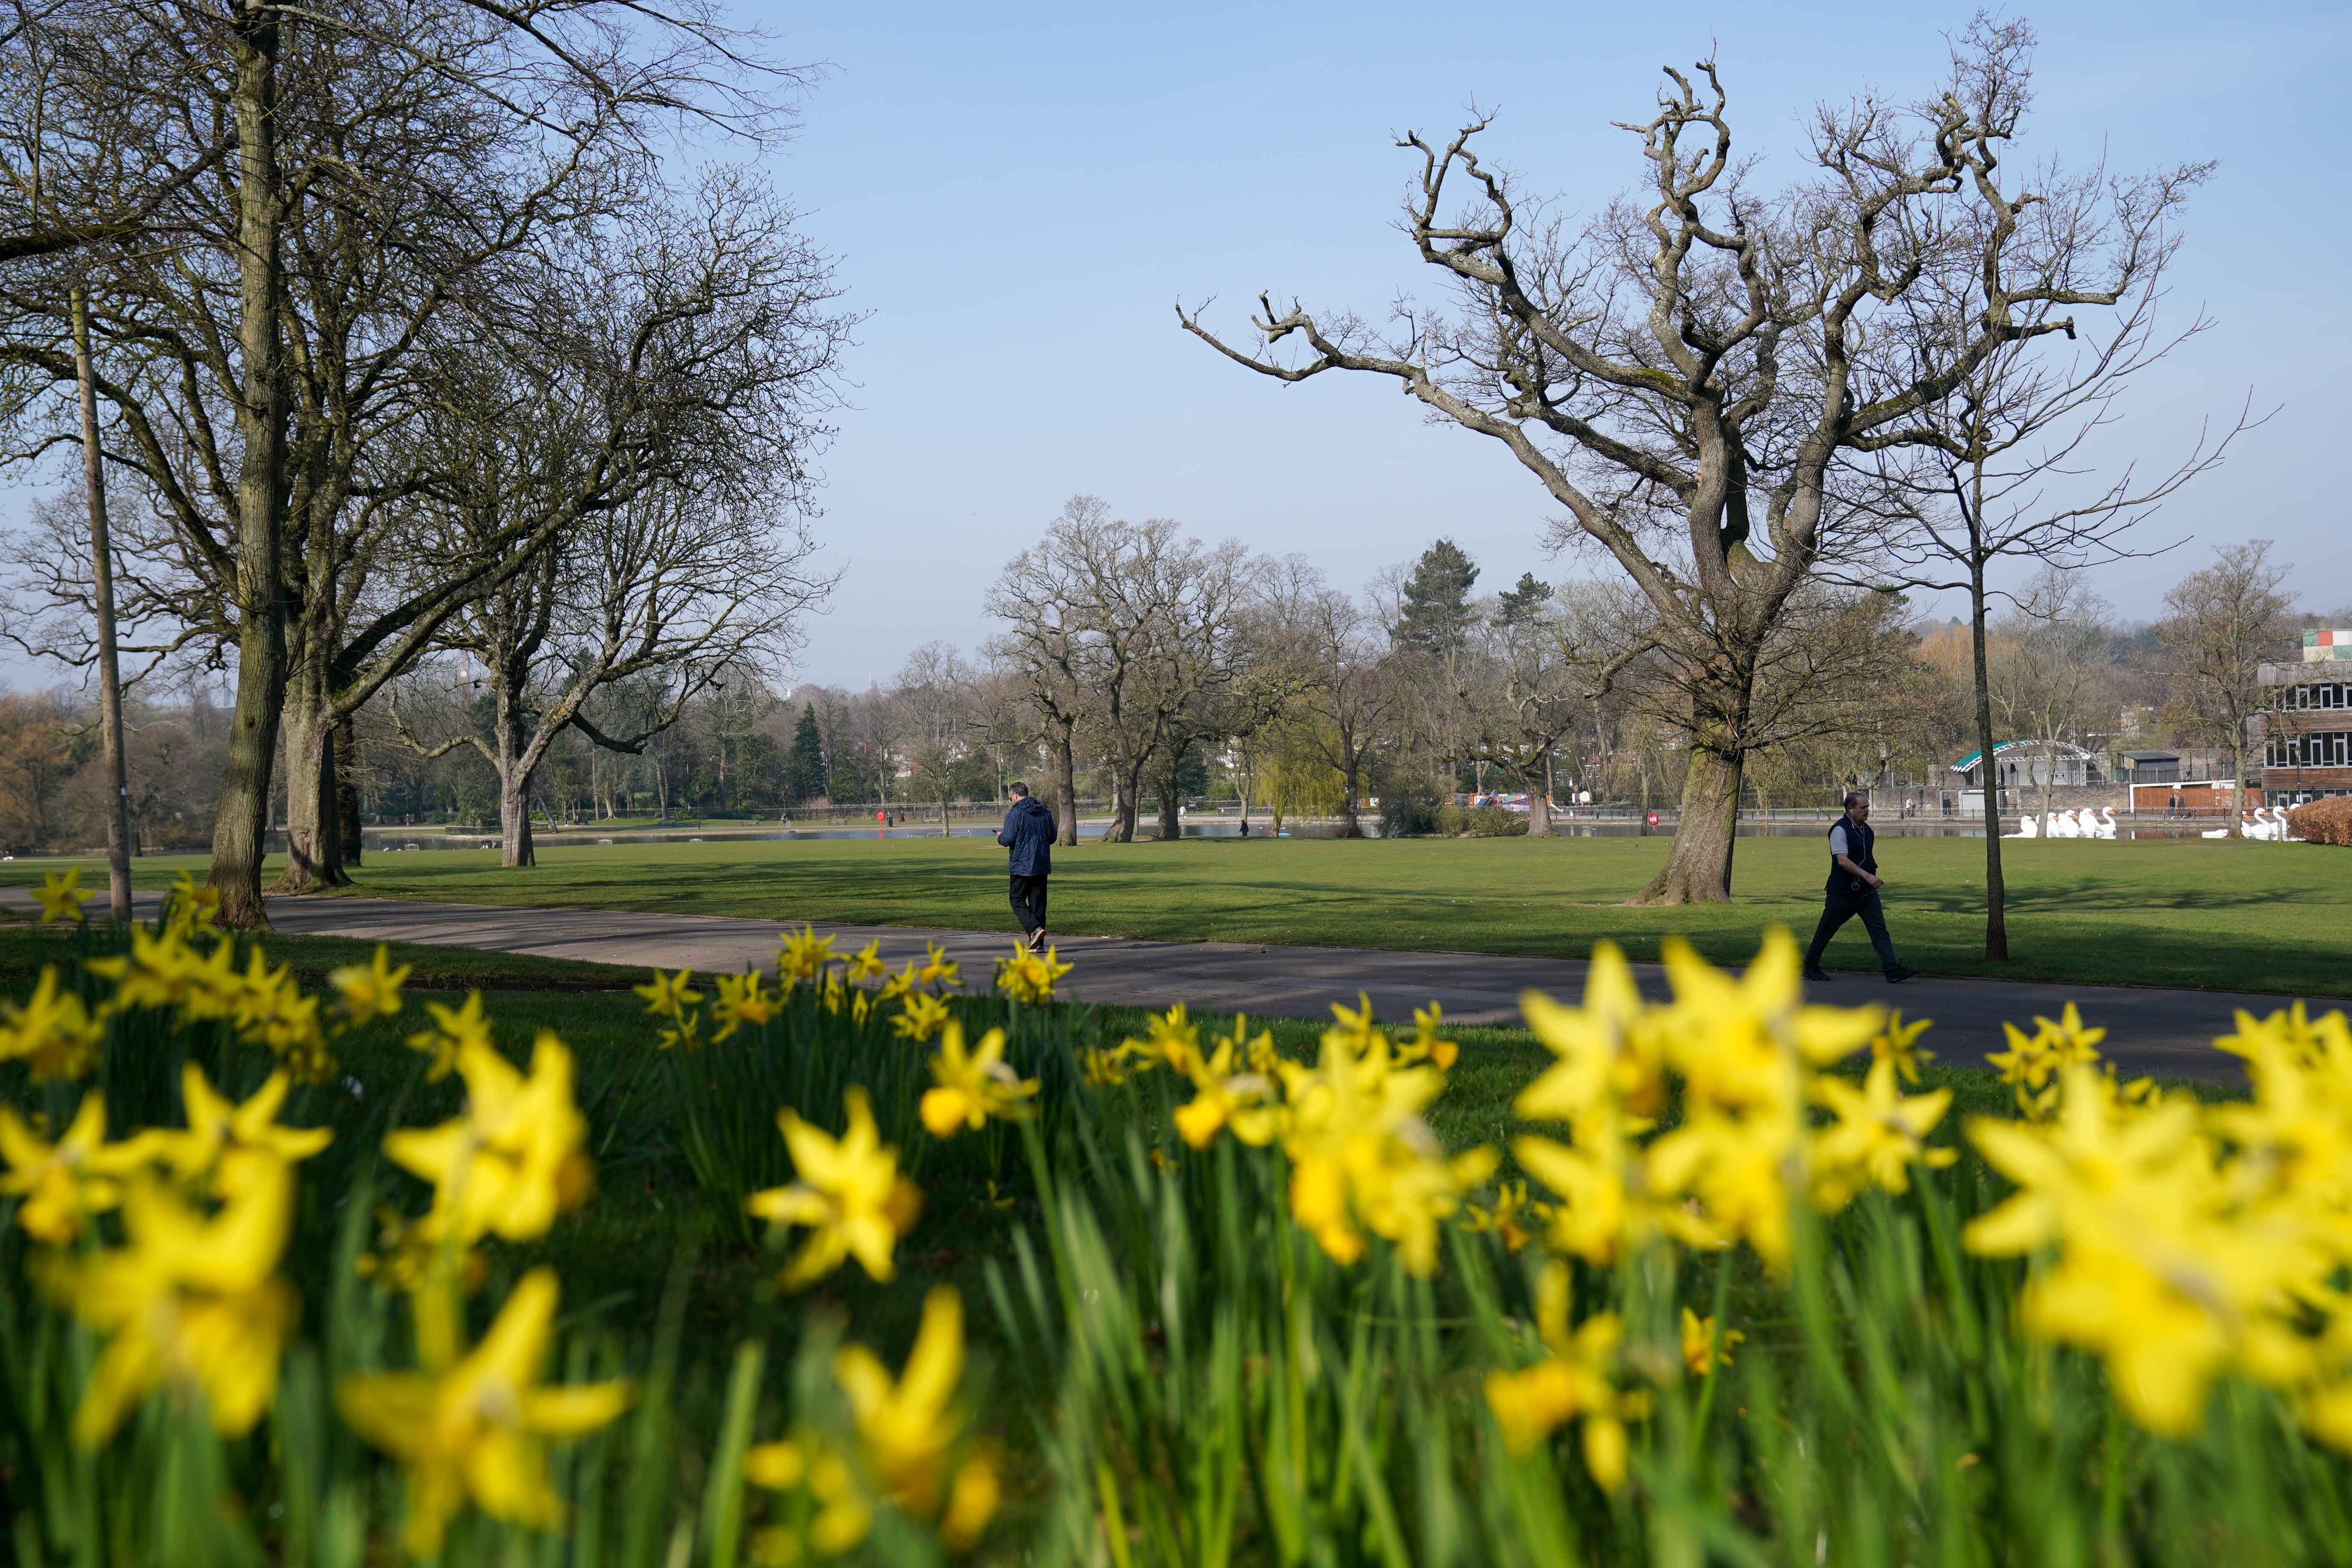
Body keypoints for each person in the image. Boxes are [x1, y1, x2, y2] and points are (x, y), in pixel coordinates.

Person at [1802, 792, 1918, 985]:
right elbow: (1842, 861)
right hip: (1842, 893)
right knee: (1827, 930)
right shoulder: (1839, 830)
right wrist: (1867, 876)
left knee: (1879, 930)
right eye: (1863, 808)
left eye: (1868, 807)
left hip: (1866, 893)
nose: (1867, 811)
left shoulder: (1866, 830)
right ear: (1851, 810)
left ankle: (1891, 969)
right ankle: (1810, 966)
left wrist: (1868, 877)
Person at [997, 782, 1055, 952]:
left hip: (1021, 864)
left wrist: (1000, 837)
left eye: (1010, 797)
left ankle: (1035, 929)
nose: (1011, 800)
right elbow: (1052, 837)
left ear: (1015, 795)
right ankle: (1038, 944)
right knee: (1038, 904)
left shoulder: (1016, 813)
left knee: (1016, 899)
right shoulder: (1044, 812)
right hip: (1041, 863)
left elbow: (1008, 839)